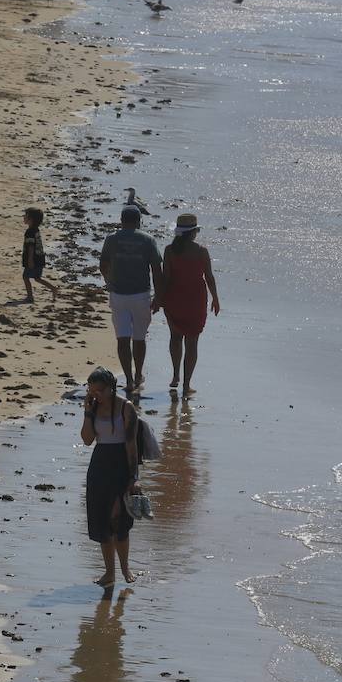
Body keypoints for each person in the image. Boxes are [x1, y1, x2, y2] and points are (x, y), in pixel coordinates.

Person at [81, 367, 140, 585]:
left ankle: (125, 569)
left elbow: (132, 445)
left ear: (111, 389)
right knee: (102, 520)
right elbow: (87, 440)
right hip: (99, 463)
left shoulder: (126, 408)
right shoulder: (93, 407)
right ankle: (109, 572)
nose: (95, 395)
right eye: (91, 390)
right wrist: (88, 412)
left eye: (100, 391)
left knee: (119, 520)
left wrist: (134, 476)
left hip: (121, 463)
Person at [154, 213, 220, 397]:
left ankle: (175, 375)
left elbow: (165, 277)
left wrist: (159, 299)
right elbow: (209, 277)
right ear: (193, 232)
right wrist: (215, 298)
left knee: (175, 338)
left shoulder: (169, 250)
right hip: (195, 301)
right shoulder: (201, 251)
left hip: (174, 299)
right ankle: (186, 384)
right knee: (192, 342)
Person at [99, 205, 162, 394]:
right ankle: (138, 374)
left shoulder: (111, 239)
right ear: (139, 221)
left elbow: (103, 265)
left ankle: (127, 378)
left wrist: (109, 281)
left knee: (122, 338)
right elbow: (157, 271)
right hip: (141, 295)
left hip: (118, 295)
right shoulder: (148, 240)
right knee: (139, 338)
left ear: (121, 220)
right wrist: (159, 296)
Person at [20, 207, 58, 302]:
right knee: (37, 278)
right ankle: (53, 288)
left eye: (26, 216)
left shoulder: (30, 232)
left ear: (31, 219)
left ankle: (30, 297)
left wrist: (30, 260)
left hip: (34, 258)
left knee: (25, 277)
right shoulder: (36, 230)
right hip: (40, 258)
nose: (23, 217)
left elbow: (31, 247)